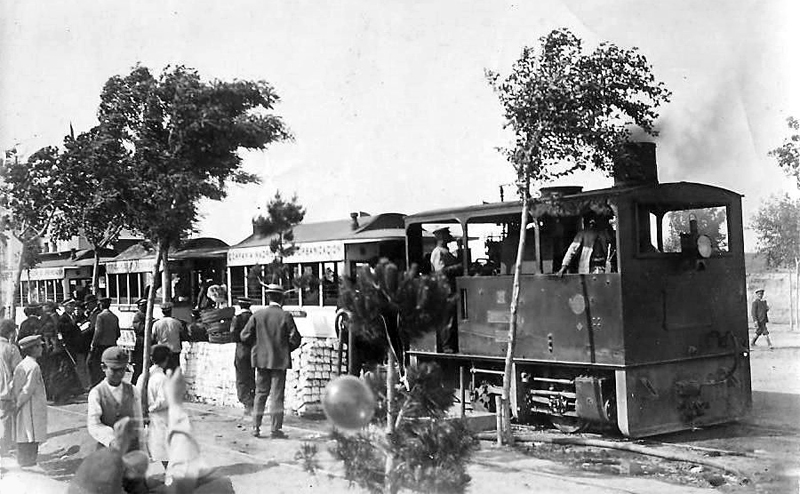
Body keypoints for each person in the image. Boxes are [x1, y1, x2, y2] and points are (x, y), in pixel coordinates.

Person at [241, 284, 301, 439]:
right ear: (281, 298)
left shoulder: (257, 315)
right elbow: (295, 338)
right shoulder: (285, 316)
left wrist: (257, 347)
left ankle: (256, 426)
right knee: (276, 395)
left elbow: (244, 336)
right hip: (279, 360)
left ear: (268, 297)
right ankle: (275, 429)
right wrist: (286, 350)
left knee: (260, 393)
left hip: (260, 360)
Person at [87, 346, 144, 452]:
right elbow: (94, 424)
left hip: (132, 449)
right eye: (114, 370)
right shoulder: (97, 393)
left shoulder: (132, 390)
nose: (118, 374)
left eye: (122, 369)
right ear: (103, 367)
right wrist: (110, 439)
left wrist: (142, 448)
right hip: (108, 450)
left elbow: (138, 421)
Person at [13, 335, 47, 467]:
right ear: (32, 349)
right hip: (30, 406)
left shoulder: (23, 364)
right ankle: (29, 463)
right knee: (31, 434)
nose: (41, 348)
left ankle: (25, 462)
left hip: (25, 405)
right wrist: (18, 404)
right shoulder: (33, 366)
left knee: (24, 433)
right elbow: (28, 389)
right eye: (38, 346)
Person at [136, 344, 172, 470]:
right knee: (165, 448)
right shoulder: (161, 379)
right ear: (166, 359)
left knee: (155, 447)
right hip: (159, 418)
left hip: (147, 417)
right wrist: (150, 409)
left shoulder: (143, 376)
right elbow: (163, 401)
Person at [429, 228, 460, 353]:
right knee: (447, 319)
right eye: (446, 234)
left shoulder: (446, 251)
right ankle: (446, 346)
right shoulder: (438, 252)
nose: (449, 236)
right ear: (440, 236)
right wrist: (458, 267)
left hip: (451, 288)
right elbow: (441, 271)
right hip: (445, 289)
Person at [230, 297, 255, 421]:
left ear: (240, 306)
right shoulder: (254, 317)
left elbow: (233, 335)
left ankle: (246, 403)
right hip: (253, 350)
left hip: (241, 350)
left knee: (241, 377)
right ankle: (253, 400)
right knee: (252, 376)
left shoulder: (237, 318)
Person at [0, 319, 22, 458]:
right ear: (10, 332)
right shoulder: (11, 348)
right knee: (6, 421)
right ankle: (4, 449)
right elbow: (18, 371)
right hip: (5, 391)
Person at [88, 297, 121, 386]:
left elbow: (98, 332)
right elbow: (118, 333)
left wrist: (93, 344)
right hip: (112, 345)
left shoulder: (100, 316)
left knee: (95, 366)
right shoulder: (114, 317)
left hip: (101, 346)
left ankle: (96, 385)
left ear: (101, 305)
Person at [152, 302, 184, 371]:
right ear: (171, 311)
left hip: (162, 351)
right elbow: (182, 334)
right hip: (175, 350)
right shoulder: (177, 322)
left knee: (163, 370)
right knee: (175, 371)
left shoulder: (156, 324)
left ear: (162, 312)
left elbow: (153, 337)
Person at [130, 299, 148, 385]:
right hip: (141, 341)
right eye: (143, 305)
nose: (145, 307)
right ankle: (134, 382)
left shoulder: (146, 315)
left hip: (146, 341)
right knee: (139, 365)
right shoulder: (138, 316)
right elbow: (139, 329)